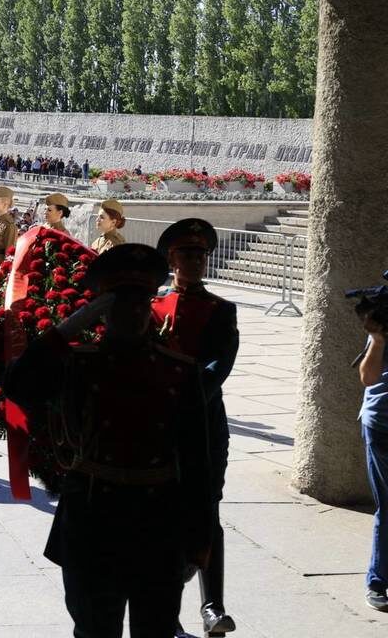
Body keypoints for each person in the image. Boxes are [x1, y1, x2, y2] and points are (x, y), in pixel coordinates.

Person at [4, 243, 213, 638]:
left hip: (158, 518)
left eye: (140, 303)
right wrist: (69, 327)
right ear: (103, 309)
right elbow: (18, 386)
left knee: (155, 629)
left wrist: (199, 533)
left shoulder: (179, 372)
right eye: (119, 303)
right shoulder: (78, 364)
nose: (132, 313)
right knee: (95, 629)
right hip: (93, 515)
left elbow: (197, 459)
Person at [151, 219, 239, 636]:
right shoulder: (153, 307)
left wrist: (183, 400)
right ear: (171, 259)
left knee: (208, 508)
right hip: (158, 421)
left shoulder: (222, 310)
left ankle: (213, 605)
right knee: (163, 512)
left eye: (201, 255)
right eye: (187, 254)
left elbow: (218, 367)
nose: (195, 261)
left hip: (202, 420)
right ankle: (167, 613)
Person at [359, 300, 388, 613]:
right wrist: (378, 340)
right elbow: (368, 377)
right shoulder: (384, 323)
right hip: (383, 424)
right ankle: (377, 580)